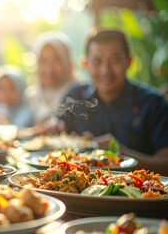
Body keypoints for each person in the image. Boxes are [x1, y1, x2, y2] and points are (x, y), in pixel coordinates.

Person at [57, 27, 168, 175]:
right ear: (85, 64)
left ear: (129, 62)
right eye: (97, 61)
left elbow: (165, 165)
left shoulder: (154, 104)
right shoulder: (74, 97)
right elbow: (58, 138)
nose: (105, 70)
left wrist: (119, 152)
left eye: (114, 60)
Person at [26, 31, 79, 131]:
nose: (49, 69)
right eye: (43, 61)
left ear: (66, 62)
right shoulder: (31, 97)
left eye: (56, 60)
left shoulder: (78, 96)